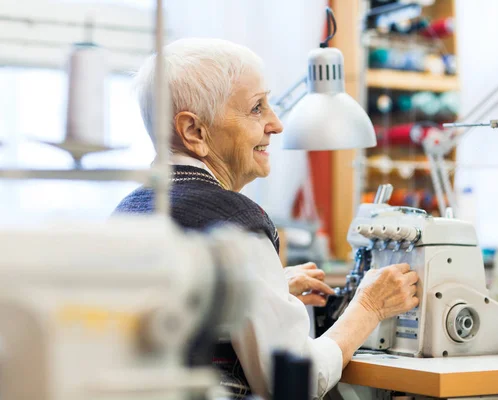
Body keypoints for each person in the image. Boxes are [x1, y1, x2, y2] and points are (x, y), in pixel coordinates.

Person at [114, 38, 419, 399]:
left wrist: (247, 288)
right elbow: (297, 383)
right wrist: (368, 307)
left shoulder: (129, 210)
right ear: (195, 132)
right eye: (257, 108)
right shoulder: (235, 225)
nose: (276, 124)